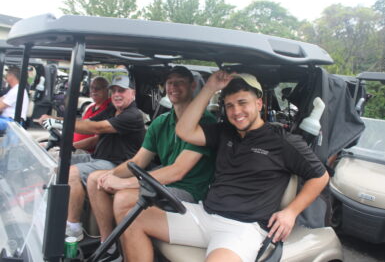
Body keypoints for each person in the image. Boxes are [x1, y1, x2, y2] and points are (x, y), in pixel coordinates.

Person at [122, 71, 329, 262]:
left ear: (258, 104)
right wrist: (210, 87)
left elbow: (320, 177)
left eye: (242, 103)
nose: (236, 111)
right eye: (229, 105)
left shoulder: (284, 141)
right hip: (206, 214)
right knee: (133, 221)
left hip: (242, 228)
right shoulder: (223, 132)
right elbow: (184, 130)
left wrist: (291, 212)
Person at [87, 66, 216, 261]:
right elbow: (138, 161)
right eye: (170, 82)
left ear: (192, 85)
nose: (173, 87)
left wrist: (126, 183)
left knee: (123, 197)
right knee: (95, 179)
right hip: (163, 185)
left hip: (189, 191)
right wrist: (111, 176)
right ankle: (109, 248)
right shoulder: (161, 122)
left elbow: (177, 171)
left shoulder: (206, 123)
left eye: (179, 82)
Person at [44, 74, 145, 241]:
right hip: (97, 158)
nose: (117, 94)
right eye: (114, 91)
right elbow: (89, 123)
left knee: (71, 173)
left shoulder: (132, 115)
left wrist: (59, 123)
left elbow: (97, 127)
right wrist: (59, 125)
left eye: (122, 90)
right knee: (55, 163)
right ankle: (55, 213)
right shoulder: (113, 109)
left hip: (118, 165)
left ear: (132, 93)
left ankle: (74, 227)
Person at [37, 76, 111, 153]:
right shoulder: (91, 107)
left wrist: (69, 146)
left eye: (98, 88)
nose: (94, 90)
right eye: (92, 87)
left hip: (86, 151)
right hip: (72, 145)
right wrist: (54, 119)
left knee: (53, 156)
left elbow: (95, 141)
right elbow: (80, 123)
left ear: (107, 89)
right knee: (39, 146)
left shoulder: (109, 109)